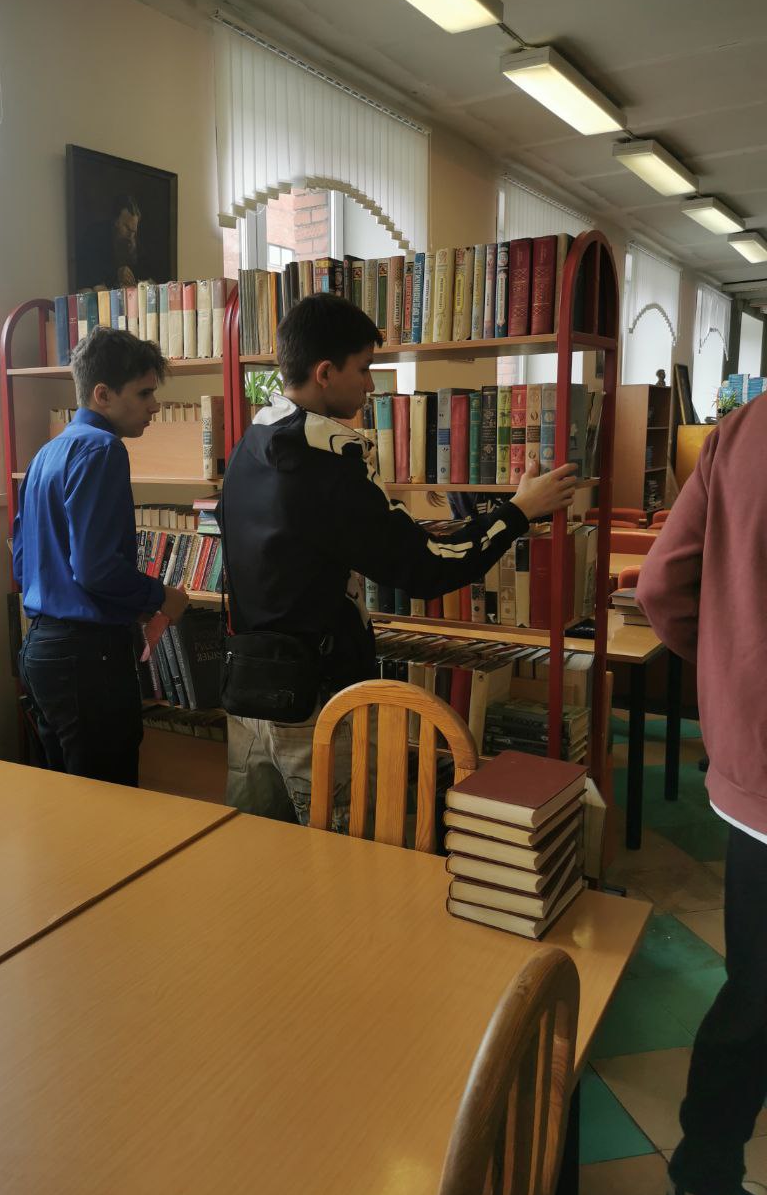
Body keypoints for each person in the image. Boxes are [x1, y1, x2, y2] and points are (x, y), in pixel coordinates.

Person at [219, 293, 578, 829]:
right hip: (317, 706)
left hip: (249, 689)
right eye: (364, 369)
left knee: (253, 847)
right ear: (324, 373)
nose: (370, 386)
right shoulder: (328, 465)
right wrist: (519, 511)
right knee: (344, 850)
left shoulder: (251, 444)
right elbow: (430, 567)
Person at [638, 396, 767, 1195]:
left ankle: (706, 1180)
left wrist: (728, 675)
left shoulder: (746, 429)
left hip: (757, 777)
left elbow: (661, 585)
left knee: (754, 990)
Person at [13, 326, 188, 786]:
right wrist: (160, 597)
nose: (155, 406)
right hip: (87, 657)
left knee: (66, 799)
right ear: (103, 394)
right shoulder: (103, 449)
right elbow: (96, 569)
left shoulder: (46, 454)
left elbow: (22, 563)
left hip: (41, 649)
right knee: (109, 803)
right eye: (144, 393)